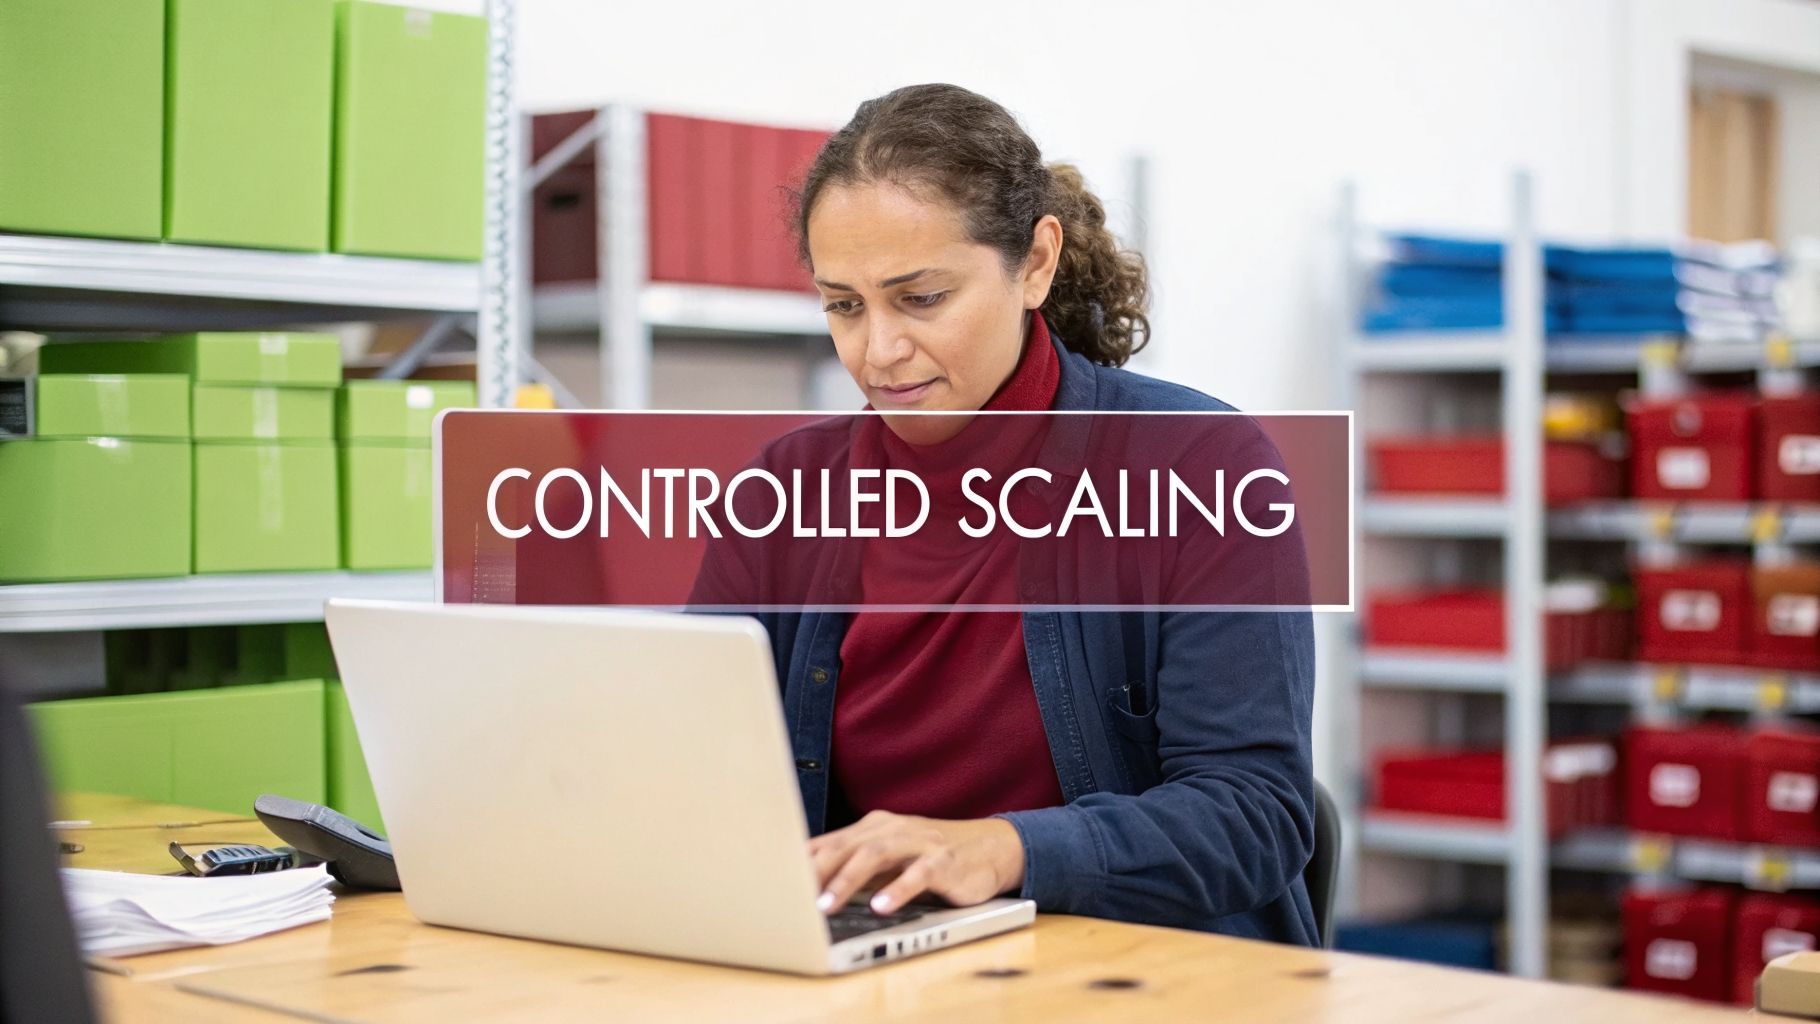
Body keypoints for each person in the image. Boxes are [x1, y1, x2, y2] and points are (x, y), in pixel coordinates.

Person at [739, 83, 1317, 945]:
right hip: (894, 971)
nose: (879, 351)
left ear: (1035, 263)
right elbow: (701, 770)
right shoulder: (785, 492)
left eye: (922, 298)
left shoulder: (1204, 465)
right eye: (844, 305)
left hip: (1148, 978)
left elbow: (1252, 818)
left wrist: (1006, 850)